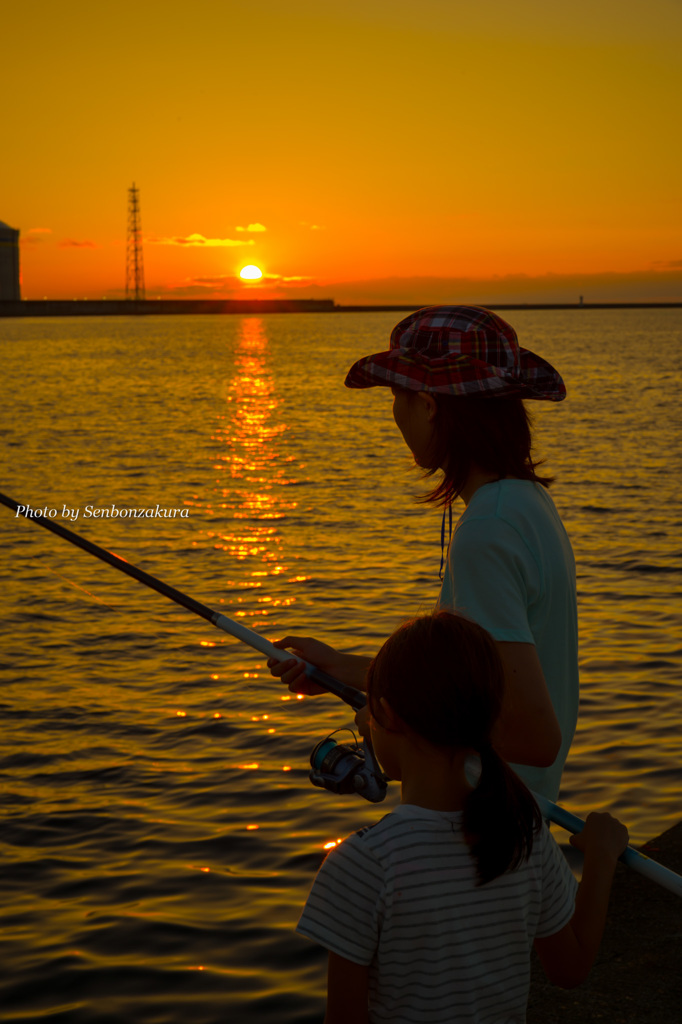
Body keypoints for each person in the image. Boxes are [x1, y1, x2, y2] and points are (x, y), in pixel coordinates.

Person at [269, 305, 578, 800]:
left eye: (397, 396)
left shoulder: (488, 531)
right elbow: (480, 690)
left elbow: (533, 737)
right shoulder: (525, 502)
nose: (395, 413)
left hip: (480, 828)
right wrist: (344, 669)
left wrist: (399, 723)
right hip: (516, 820)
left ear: (429, 404)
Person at [297, 612, 628, 1024]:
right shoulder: (523, 831)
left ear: (387, 713)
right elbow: (570, 968)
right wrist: (601, 855)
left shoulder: (362, 865)